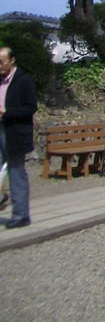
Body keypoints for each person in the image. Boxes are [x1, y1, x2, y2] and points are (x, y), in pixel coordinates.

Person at [0, 46, 37, 228]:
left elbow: (30, 108)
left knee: (16, 172)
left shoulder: (24, 81)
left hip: (14, 131)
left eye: (2, 62)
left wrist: (7, 112)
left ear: (11, 60)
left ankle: (21, 215)